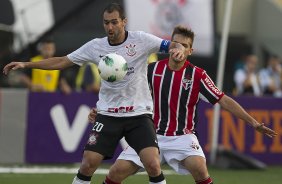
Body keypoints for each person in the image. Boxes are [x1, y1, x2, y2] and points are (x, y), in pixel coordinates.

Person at [3, 3, 186, 184]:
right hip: (108, 115)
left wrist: (178, 49)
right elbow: (61, 61)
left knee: (153, 164)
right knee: (88, 165)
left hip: (138, 114)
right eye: (106, 23)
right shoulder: (95, 47)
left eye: (114, 22)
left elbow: (171, 45)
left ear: (124, 21)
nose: (110, 27)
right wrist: (26, 64)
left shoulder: (141, 40)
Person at [88, 25, 277, 184]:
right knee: (115, 173)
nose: (179, 49)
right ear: (170, 46)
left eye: (184, 46)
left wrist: (253, 123)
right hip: (149, 135)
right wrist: (102, 110)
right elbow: (127, 93)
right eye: (176, 44)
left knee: (200, 169)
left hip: (183, 137)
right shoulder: (151, 70)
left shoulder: (198, 75)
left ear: (190, 51)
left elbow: (224, 100)